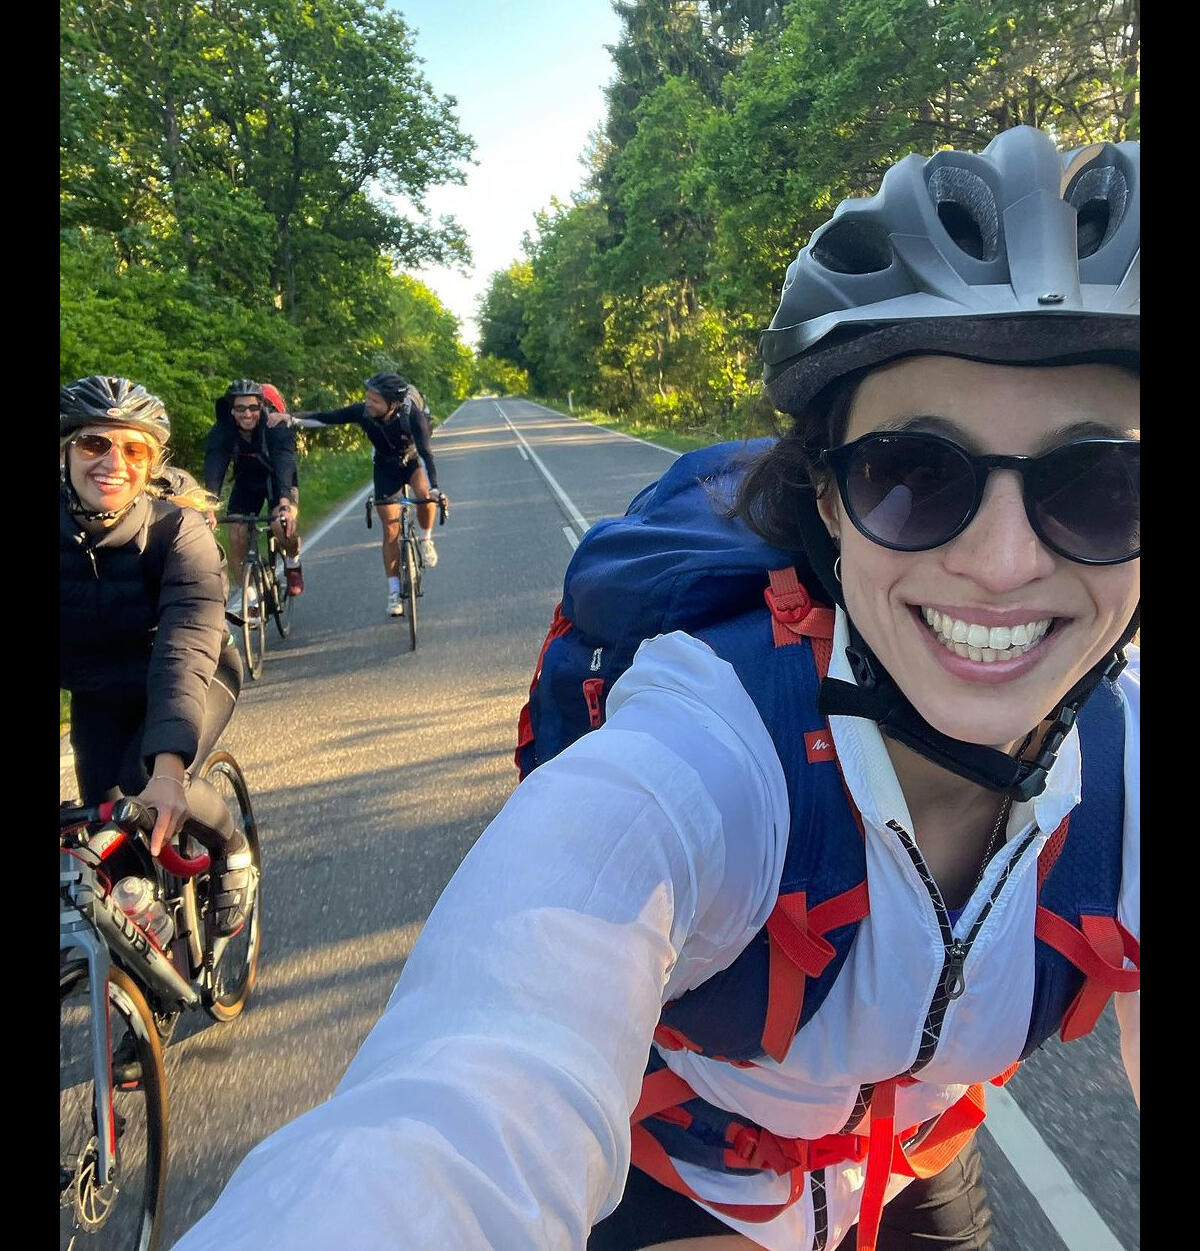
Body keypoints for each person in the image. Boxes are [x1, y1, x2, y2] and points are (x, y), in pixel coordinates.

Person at [174, 125, 1139, 1251]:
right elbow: (454, 1117)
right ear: (826, 500)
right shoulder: (708, 749)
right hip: (686, 1185)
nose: (1007, 560)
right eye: (914, 476)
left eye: (1104, 485)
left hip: (913, 1166)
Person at [60, 375, 258, 936]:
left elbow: (186, 644)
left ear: (150, 465)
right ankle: (146, 956)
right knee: (104, 844)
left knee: (144, 786)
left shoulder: (179, 531)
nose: (112, 461)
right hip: (99, 692)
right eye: (94, 444)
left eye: (133, 448)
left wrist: (169, 767)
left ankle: (232, 847)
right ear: (65, 451)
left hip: (190, 676)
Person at [274, 371, 446, 617]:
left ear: (393, 404)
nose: (368, 403)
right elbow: (326, 418)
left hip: (411, 459)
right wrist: (290, 418)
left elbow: (427, 455)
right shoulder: (363, 412)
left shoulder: (412, 416)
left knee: (424, 495)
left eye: (375, 400)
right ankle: (394, 591)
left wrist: (436, 489)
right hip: (385, 465)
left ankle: (426, 539)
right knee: (390, 530)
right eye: (368, 397)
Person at [203, 378, 303, 603]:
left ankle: (293, 562)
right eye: (240, 408)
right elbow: (214, 467)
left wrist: (285, 503)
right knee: (236, 533)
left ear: (262, 407)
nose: (247, 414)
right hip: (247, 483)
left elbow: (284, 463)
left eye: (253, 408)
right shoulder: (223, 430)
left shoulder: (275, 426)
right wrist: (209, 507)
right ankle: (250, 599)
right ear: (231, 409)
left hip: (279, 481)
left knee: (281, 525)